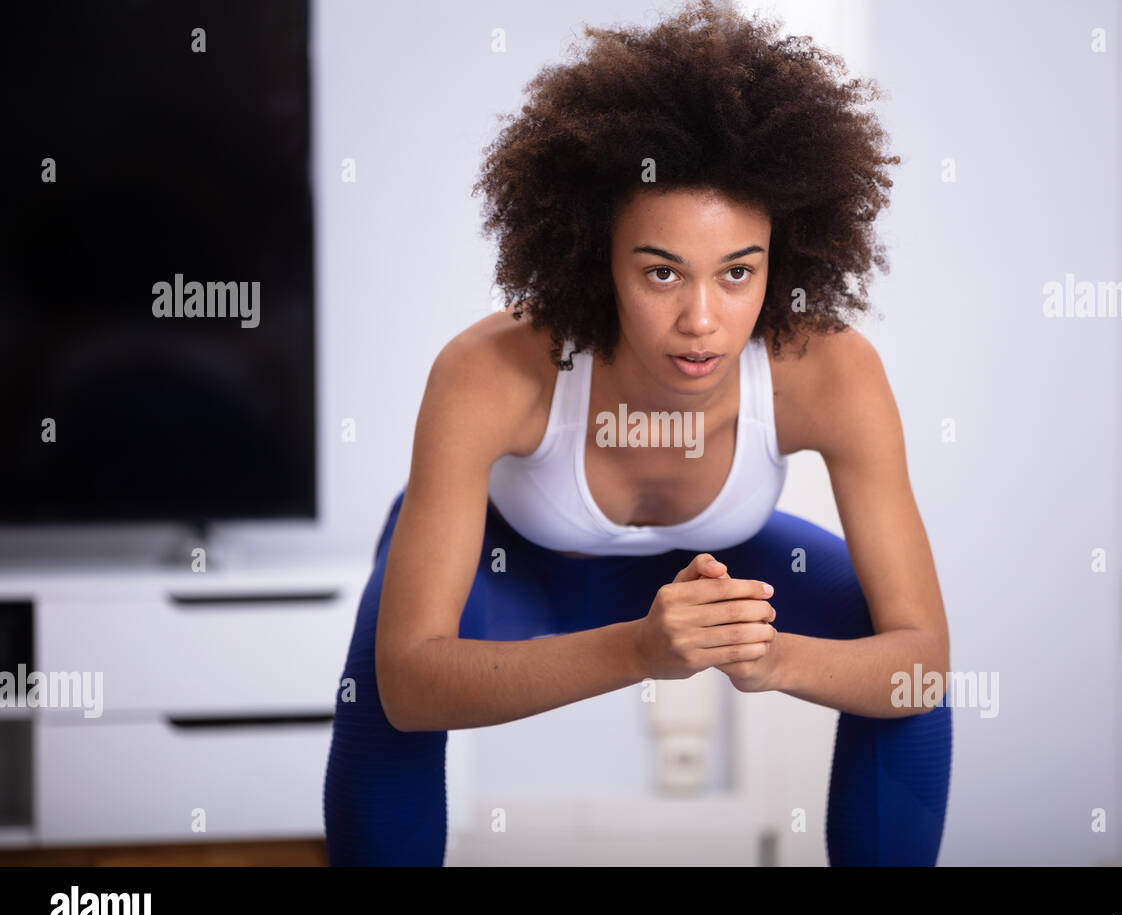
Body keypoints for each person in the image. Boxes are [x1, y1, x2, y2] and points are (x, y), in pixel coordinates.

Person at [324, 0, 951, 866]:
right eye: (662, 272)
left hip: (718, 572)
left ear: (785, 258)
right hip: (512, 569)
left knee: (901, 680)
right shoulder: (491, 370)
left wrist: (778, 662)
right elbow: (410, 686)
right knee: (382, 676)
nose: (703, 319)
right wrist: (639, 650)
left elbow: (921, 660)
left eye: (739, 273)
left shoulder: (831, 371)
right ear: (594, 258)